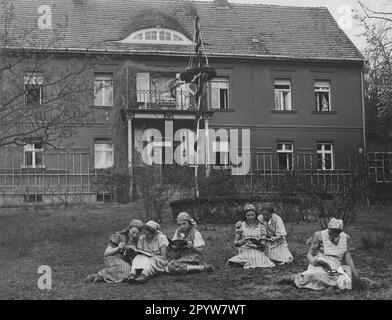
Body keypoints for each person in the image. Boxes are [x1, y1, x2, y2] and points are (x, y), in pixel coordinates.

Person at [278, 218, 360, 290]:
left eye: (337, 232)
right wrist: (312, 260)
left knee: (341, 282)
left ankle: (300, 278)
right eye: (332, 231)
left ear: (340, 231)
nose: (334, 233)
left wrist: (356, 276)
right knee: (316, 277)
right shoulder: (319, 235)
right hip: (320, 262)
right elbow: (309, 254)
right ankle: (294, 277)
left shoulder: (345, 238)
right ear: (329, 228)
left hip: (335, 265)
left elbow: (349, 259)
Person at [86, 219, 144, 283]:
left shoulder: (140, 239)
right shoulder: (119, 236)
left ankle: (100, 277)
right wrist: (118, 248)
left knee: (132, 271)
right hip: (113, 258)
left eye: (137, 233)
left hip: (127, 260)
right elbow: (106, 253)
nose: (135, 235)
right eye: (133, 232)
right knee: (127, 270)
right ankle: (101, 274)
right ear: (129, 229)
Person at [227, 204, 275, 269]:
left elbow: (263, 240)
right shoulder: (241, 225)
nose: (250, 217)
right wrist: (242, 241)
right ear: (245, 216)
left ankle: (243, 263)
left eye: (252, 215)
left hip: (257, 248)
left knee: (257, 257)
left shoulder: (261, 226)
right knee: (249, 256)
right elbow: (235, 243)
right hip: (245, 248)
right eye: (248, 215)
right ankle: (239, 262)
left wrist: (261, 243)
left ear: (255, 215)